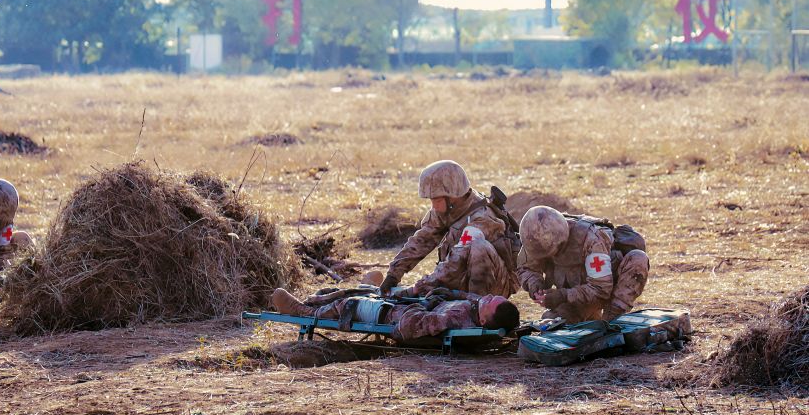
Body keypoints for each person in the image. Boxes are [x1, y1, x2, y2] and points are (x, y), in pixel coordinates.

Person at [376, 160, 519, 298]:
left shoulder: (481, 217)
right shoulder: (447, 209)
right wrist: (393, 274)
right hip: (461, 277)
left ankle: (476, 307)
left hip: (497, 285)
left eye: (437, 200)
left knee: (478, 247)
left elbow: (458, 258)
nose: (434, 206)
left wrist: (424, 285)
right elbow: (422, 240)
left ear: (453, 196)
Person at [517, 205, 650, 323]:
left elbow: (601, 289)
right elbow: (526, 268)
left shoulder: (592, 238)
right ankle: (588, 316)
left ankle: (613, 317)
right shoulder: (535, 236)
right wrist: (535, 285)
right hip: (576, 299)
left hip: (606, 289)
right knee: (551, 324)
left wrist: (562, 295)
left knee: (638, 258)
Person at [269, 287, 521, 343]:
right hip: (396, 305)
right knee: (369, 290)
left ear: (485, 319)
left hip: (387, 316)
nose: (485, 298)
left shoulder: (454, 317)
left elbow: (411, 327)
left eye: (489, 302)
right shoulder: (472, 314)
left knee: (348, 303)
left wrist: (424, 305)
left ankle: (303, 310)